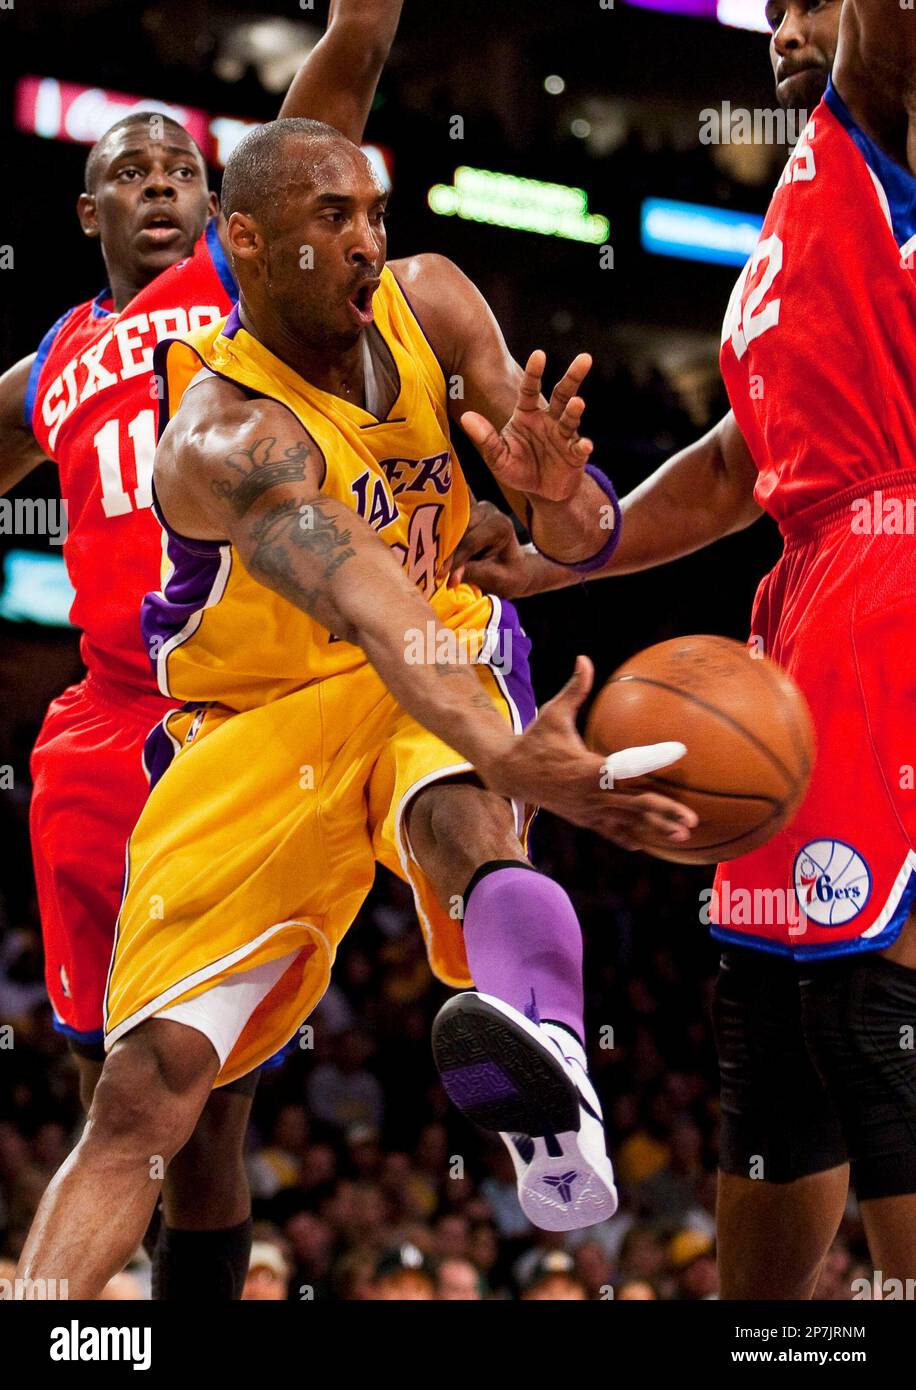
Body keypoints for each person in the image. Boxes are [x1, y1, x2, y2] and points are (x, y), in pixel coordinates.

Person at [15, 116, 698, 1299]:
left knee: (458, 819)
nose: (368, 243)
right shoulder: (221, 435)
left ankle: (550, 1079)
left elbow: (576, 534)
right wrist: (515, 748)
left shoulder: (431, 300)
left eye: (373, 213)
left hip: (434, 648)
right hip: (256, 717)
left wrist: (557, 505)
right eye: (331, 220)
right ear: (246, 240)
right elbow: (371, 603)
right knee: (146, 1088)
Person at [450, 0, 916, 1298]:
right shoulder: (796, 209)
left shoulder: (887, 108)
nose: (786, 22)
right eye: (771, 6)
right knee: (772, 1032)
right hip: (808, 592)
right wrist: (558, 549)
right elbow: (731, 465)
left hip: (896, 565)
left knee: (871, 1017)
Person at [0, 0, 404, 1300]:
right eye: (133, 172)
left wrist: (361, 22)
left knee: (206, 1111)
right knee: (102, 1093)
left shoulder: (229, 280)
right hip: (92, 736)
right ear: (88, 212)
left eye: (181, 168)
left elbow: (324, 108)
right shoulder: (49, 359)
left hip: (224, 731)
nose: (164, 187)